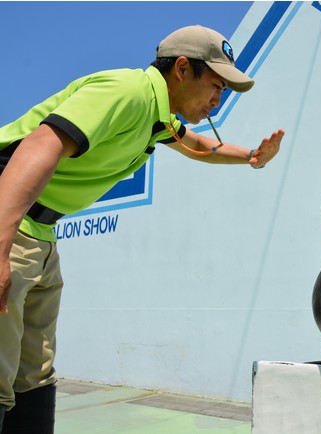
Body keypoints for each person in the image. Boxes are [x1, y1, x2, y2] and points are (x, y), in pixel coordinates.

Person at [0, 24, 284, 433]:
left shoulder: (157, 116)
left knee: (33, 378)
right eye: (216, 86)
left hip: (42, 236)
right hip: (12, 220)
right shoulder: (127, 91)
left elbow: (200, 144)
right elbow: (41, 144)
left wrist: (252, 156)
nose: (217, 102)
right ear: (182, 69)